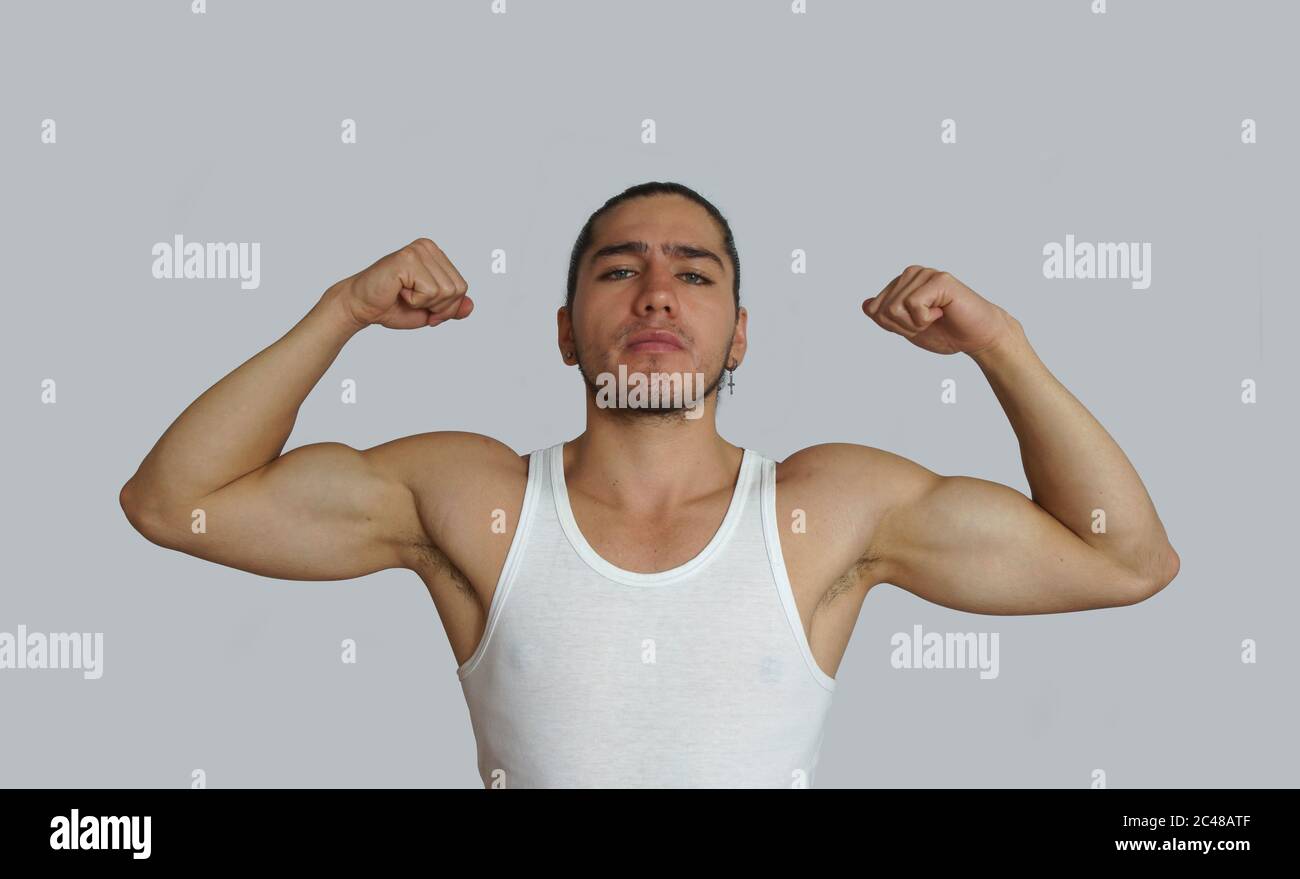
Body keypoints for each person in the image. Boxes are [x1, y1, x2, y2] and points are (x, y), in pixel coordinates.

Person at [119, 181, 1180, 789]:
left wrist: (1003, 345)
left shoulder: (831, 511)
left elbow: (1124, 559)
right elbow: (175, 501)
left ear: (739, 338)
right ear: (567, 332)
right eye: (618, 270)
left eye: (697, 272)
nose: (659, 294)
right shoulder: (465, 497)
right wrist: (340, 308)